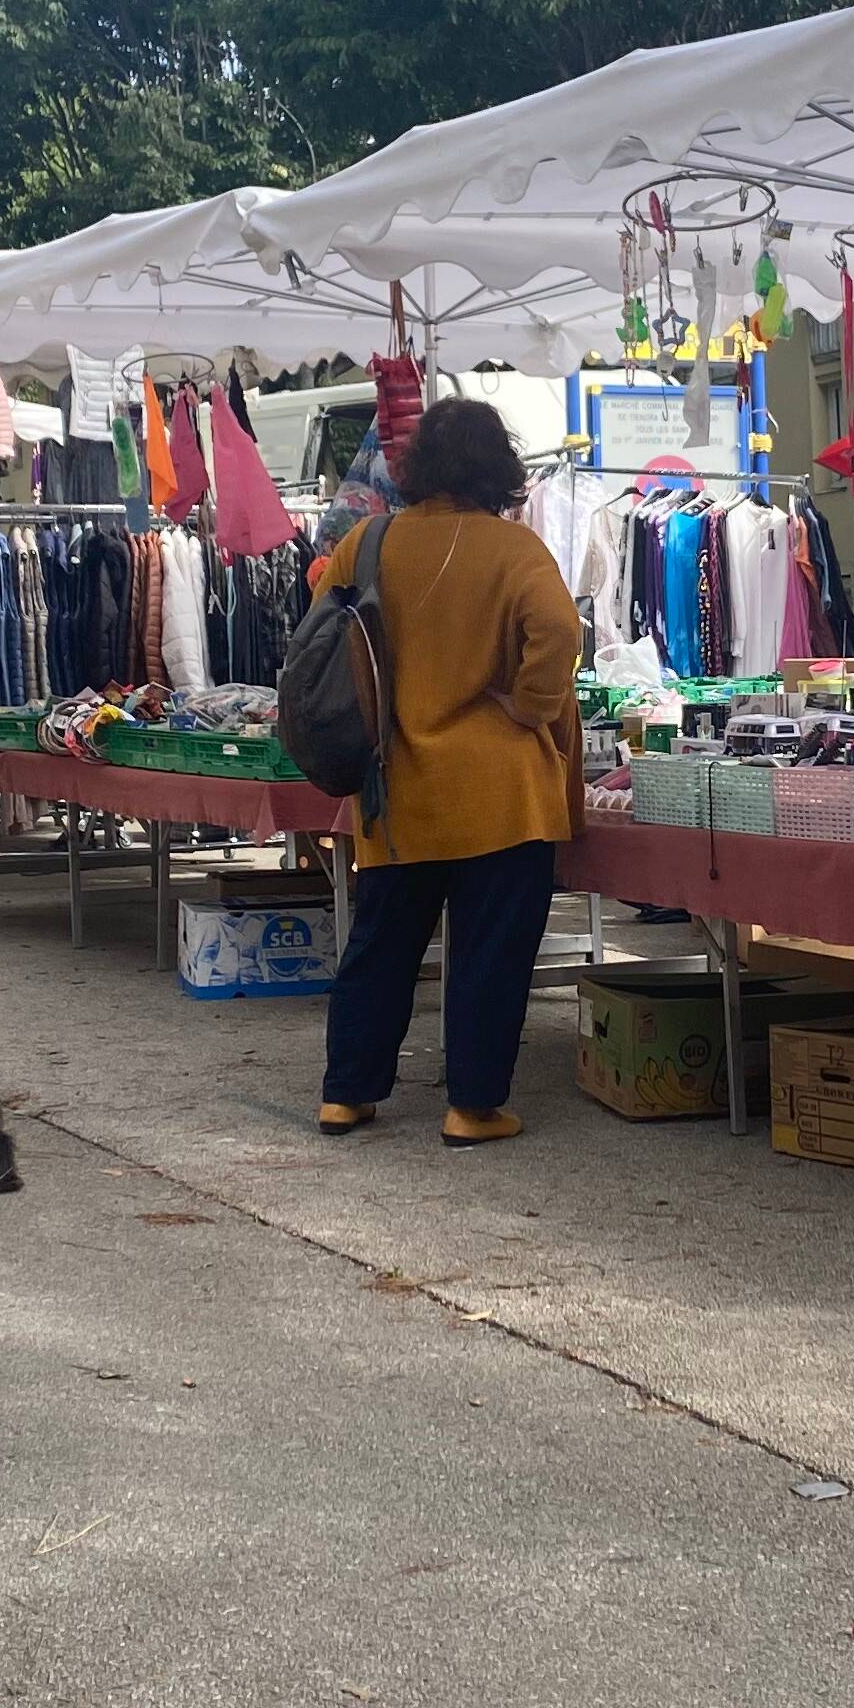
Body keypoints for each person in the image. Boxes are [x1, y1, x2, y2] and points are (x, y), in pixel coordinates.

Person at [311, 398, 582, 1147]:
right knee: (490, 955)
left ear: (421, 463)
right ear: (500, 467)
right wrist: (530, 706)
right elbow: (559, 630)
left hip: (395, 786)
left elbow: (325, 634)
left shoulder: (368, 542)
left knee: (381, 944)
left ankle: (347, 1094)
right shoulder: (515, 550)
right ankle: (473, 1106)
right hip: (502, 792)